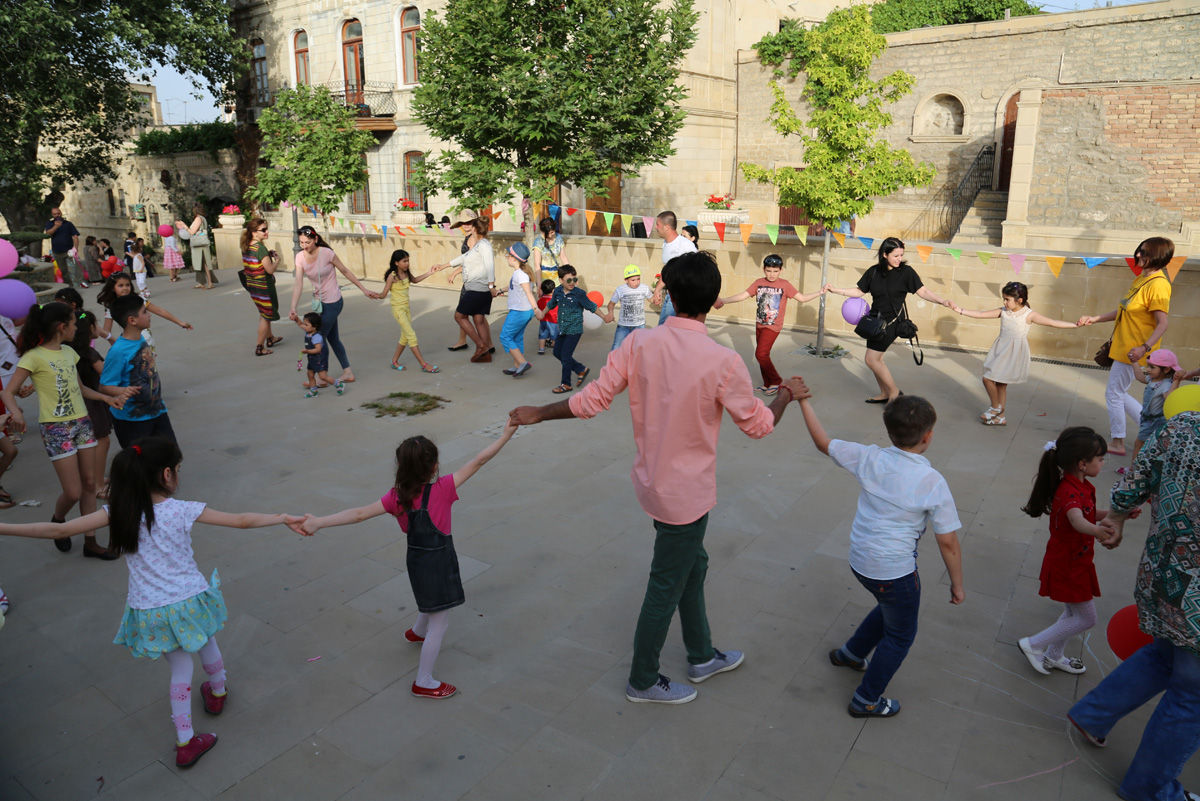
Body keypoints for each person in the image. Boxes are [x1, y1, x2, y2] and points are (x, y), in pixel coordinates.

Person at [510, 251, 806, 705]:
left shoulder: (639, 344)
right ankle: (643, 679)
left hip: (653, 484)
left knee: (694, 564)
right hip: (684, 495)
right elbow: (759, 425)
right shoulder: (723, 360)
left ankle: (702, 654)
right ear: (711, 302)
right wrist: (785, 395)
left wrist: (540, 414)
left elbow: (591, 400)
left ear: (666, 292)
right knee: (665, 584)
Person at [0, 436, 306, 767]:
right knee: (206, 641)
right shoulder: (183, 509)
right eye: (178, 469)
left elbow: (57, 531)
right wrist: (282, 517)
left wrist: (3, 527)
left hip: (153, 610)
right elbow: (242, 520)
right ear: (166, 475)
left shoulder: (117, 513)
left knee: (180, 668)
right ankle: (217, 693)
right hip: (191, 600)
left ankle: (186, 741)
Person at [298, 423, 520, 699]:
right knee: (440, 623)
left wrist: (318, 522)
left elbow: (358, 514)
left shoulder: (396, 497)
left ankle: (416, 632)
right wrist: (507, 433)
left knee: (430, 601)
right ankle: (424, 681)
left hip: (416, 560)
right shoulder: (444, 488)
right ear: (434, 465)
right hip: (438, 562)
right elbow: (479, 460)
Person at [797, 391, 964, 718]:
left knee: (889, 606)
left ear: (889, 431)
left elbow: (823, 442)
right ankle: (867, 699)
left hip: (861, 561)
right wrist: (957, 584)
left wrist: (803, 401)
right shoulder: (932, 482)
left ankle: (851, 654)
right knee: (900, 635)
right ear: (928, 437)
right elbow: (949, 543)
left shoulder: (868, 457)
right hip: (895, 571)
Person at [1068, 410, 1200, 801]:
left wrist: (1120, 517)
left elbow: (1139, 474)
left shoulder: (1183, 424)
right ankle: (1149, 788)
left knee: (1163, 655)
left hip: (1162, 574)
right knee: (1192, 695)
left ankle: (1093, 714)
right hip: (1196, 602)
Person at [0, 303, 130, 556]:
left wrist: (106, 399)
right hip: (56, 429)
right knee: (73, 491)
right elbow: (8, 391)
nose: (75, 327)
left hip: (82, 422)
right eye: (72, 323)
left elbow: (80, 388)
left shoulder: (70, 352)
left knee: (90, 483)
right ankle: (59, 520)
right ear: (62, 327)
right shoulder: (33, 356)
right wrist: (15, 412)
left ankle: (90, 542)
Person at [1017, 428, 1117, 676]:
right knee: (1087, 618)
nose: (1103, 463)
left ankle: (1053, 655)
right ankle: (1034, 644)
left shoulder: (1080, 484)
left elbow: (1089, 515)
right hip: (1069, 565)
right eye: (1101, 459)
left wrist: (1117, 515)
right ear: (1083, 464)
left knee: (1073, 612)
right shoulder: (1069, 491)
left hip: (1076, 561)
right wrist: (1096, 530)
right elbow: (1077, 520)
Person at [825, 237, 955, 403]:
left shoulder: (906, 272)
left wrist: (943, 301)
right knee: (877, 360)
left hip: (893, 322)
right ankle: (884, 393)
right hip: (875, 323)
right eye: (896, 256)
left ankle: (894, 393)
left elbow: (923, 291)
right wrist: (835, 290)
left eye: (901, 255)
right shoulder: (873, 272)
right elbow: (859, 291)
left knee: (870, 359)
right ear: (885, 254)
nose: (899, 259)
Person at [1077, 237, 1173, 456]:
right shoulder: (1142, 278)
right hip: (1124, 348)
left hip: (1133, 350)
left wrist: (1144, 348)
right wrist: (1095, 318)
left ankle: (1118, 443)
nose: (1138, 255)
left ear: (1158, 256)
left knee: (1113, 394)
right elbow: (1123, 310)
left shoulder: (1158, 285)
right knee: (1118, 392)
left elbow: (1163, 323)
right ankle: (1151, 430)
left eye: (1145, 252)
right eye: (1140, 250)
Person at [951, 281, 1079, 426]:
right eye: (1004, 299)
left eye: (1007, 299)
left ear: (1020, 300)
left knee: (988, 379)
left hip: (1014, 352)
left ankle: (995, 408)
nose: (1004, 302)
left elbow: (1052, 322)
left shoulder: (1029, 315)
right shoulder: (1004, 311)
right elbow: (981, 314)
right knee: (999, 383)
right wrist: (960, 310)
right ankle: (1001, 417)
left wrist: (1075, 325)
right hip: (1000, 348)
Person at [713, 253, 824, 394]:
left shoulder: (785, 285)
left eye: (775, 271)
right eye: (769, 271)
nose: (772, 274)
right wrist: (724, 300)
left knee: (761, 354)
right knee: (762, 355)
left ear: (781, 270)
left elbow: (801, 298)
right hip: (759, 325)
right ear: (763, 269)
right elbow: (743, 295)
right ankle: (767, 383)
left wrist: (820, 292)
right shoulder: (758, 283)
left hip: (773, 327)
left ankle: (776, 381)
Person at [288, 226, 374, 385]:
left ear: (315, 239)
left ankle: (321, 377)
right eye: (301, 242)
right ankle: (347, 372)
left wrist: (363, 289)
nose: (304, 246)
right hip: (319, 303)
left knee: (318, 337)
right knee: (333, 338)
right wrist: (293, 307)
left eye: (307, 242)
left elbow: (345, 271)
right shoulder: (300, 257)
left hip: (334, 301)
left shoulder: (326, 253)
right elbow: (298, 282)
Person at [100, 295, 177, 448]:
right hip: (132, 420)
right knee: (142, 467)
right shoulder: (118, 351)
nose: (149, 314)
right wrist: (124, 390)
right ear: (132, 320)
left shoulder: (141, 339)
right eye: (144, 312)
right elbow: (104, 387)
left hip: (157, 411)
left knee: (171, 458)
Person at [68, 312, 119, 521]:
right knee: (102, 440)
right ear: (88, 329)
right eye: (94, 324)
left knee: (96, 441)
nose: (97, 327)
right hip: (93, 402)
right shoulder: (89, 354)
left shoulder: (71, 350)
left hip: (83, 401)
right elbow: (107, 373)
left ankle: (96, 479)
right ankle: (97, 484)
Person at [535, 265, 611, 394]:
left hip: (574, 329)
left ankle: (566, 384)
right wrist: (543, 313)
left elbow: (592, 306)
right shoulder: (558, 291)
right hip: (562, 328)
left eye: (574, 279)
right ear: (561, 280)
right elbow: (551, 304)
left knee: (565, 356)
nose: (572, 283)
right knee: (557, 353)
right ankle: (581, 369)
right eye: (569, 280)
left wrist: (604, 316)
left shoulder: (579, 294)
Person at [435, 218, 497, 363]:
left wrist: (491, 286)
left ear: (475, 228)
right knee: (478, 319)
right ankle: (485, 353)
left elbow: (490, 266)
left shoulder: (484, 245)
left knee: (459, 316)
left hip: (478, 289)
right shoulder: (478, 245)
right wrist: (443, 266)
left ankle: (481, 345)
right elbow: (463, 257)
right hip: (478, 288)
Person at [371, 249, 442, 373]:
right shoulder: (392, 276)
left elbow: (415, 280)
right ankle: (423, 365)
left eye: (408, 260)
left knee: (404, 337)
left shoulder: (406, 273)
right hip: (398, 310)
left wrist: (429, 273)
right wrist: (376, 295)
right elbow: (384, 294)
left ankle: (394, 361)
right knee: (411, 336)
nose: (407, 263)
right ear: (396, 262)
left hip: (406, 308)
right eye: (404, 261)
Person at [97, 271, 192, 348]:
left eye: (127, 285)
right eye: (120, 285)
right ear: (112, 288)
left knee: (148, 368)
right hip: (129, 343)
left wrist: (179, 322)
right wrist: (115, 345)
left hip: (147, 340)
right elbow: (106, 331)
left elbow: (159, 311)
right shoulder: (111, 307)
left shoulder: (138, 299)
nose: (125, 288)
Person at [1126, 348, 1184, 469]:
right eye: (1148, 366)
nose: (1148, 370)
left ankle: (1133, 470)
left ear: (1167, 369)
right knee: (1152, 446)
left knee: (1139, 443)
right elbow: (1140, 377)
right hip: (1147, 418)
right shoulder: (1153, 379)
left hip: (1156, 421)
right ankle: (1142, 468)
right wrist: (1134, 361)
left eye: (1152, 367)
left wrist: (1176, 380)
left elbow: (1169, 398)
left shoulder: (1166, 385)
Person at [240, 218, 283, 357]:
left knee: (263, 312)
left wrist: (267, 255)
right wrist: (277, 261)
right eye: (263, 230)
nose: (266, 232)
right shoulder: (260, 248)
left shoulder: (247, 246)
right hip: (264, 285)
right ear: (254, 232)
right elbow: (270, 270)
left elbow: (255, 263)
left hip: (253, 285)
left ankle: (270, 338)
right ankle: (260, 347)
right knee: (266, 315)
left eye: (266, 228)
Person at [499, 243, 539, 378]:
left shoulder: (521, 275)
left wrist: (536, 309)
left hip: (520, 311)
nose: (506, 258)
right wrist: (499, 291)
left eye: (507, 256)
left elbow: (528, 292)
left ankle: (522, 363)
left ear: (514, 258)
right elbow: (512, 286)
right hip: (523, 311)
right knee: (516, 337)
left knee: (505, 336)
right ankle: (517, 366)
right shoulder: (520, 273)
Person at [651, 211, 698, 324]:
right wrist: (657, 290)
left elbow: (698, 269)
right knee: (664, 328)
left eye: (658, 224)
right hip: (670, 295)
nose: (656, 227)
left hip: (683, 297)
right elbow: (668, 270)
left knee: (666, 329)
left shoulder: (685, 244)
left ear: (667, 227)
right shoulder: (665, 244)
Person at [606, 265, 655, 351]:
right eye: (633, 280)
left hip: (639, 325)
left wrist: (655, 300)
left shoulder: (644, 288)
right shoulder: (620, 290)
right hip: (624, 326)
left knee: (638, 349)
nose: (636, 282)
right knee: (616, 348)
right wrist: (610, 313)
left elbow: (651, 299)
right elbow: (611, 304)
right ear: (626, 280)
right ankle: (613, 364)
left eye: (638, 279)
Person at [294, 312, 341, 396]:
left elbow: (318, 350)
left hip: (320, 359)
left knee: (323, 377)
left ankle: (338, 383)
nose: (304, 326)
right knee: (310, 374)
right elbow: (300, 324)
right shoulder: (308, 332)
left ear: (314, 326)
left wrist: (307, 351)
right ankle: (313, 390)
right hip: (312, 358)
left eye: (306, 325)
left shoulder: (316, 337)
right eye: (304, 324)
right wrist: (296, 319)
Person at [176, 204, 217, 289]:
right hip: (200, 243)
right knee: (199, 263)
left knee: (204, 263)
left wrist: (184, 226)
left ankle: (209, 282)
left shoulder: (198, 219)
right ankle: (201, 282)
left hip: (200, 244)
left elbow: (192, 232)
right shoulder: (202, 218)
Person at [44, 208, 81, 288]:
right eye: (55, 214)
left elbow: (75, 235)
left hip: (69, 251)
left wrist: (76, 247)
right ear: (52, 215)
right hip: (58, 252)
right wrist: (56, 226)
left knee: (73, 268)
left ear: (61, 213)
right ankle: (69, 286)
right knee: (64, 271)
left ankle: (77, 285)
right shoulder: (49, 224)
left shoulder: (68, 224)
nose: (57, 215)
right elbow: (48, 234)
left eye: (58, 213)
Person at [531, 217, 567, 283]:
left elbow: (563, 257)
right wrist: (539, 284)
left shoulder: (558, 237)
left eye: (552, 232)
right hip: (544, 277)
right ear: (543, 231)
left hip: (558, 276)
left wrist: (569, 274)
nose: (551, 235)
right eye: (548, 233)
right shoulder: (538, 242)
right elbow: (537, 264)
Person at [536, 278, 558, 355]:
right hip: (553, 321)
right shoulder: (555, 301)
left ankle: (541, 349)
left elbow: (538, 309)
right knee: (555, 335)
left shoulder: (540, 300)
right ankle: (554, 345)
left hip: (543, 320)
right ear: (553, 290)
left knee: (542, 335)